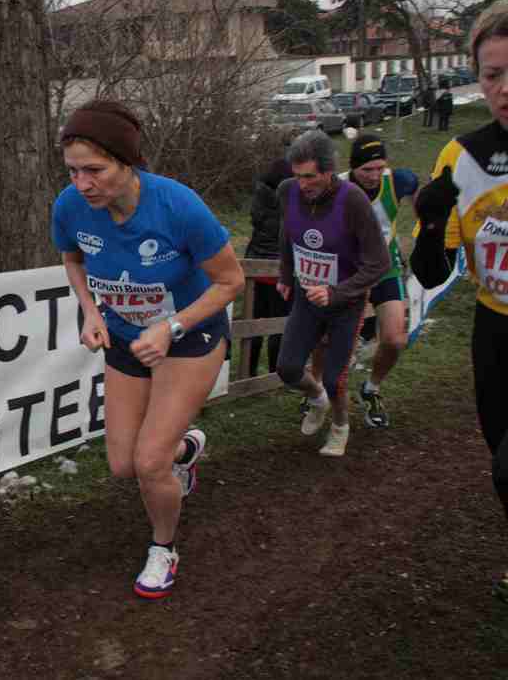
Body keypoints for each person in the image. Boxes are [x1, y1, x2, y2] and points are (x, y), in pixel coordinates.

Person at [51, 100, 245, 599]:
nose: (82, 184)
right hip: (125, 335)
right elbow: (72, 258)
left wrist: (171, 326)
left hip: (190, 336)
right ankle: (187, 447)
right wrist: (91, 312)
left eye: (94, 170)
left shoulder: (178, 206)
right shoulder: (70, 206)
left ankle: (164, 547)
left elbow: (231, 282)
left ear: (128, 162)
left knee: (150, 463)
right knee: (123, 463)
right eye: (73, 171)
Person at [410, 0, 508, 603]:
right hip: (493, 330)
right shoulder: (462, 157)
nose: (505, 88)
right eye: (493, 74)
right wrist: (430, 221)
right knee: (500, 461)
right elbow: (432, 271)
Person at [275, 130, 389, 458]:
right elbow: (288, 232)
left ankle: (340, 426)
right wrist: (286, 272)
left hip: (345, 303)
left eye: (310, 176)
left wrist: (337, 292)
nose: (302, 184)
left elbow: (378, 263)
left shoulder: (353, 200)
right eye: (298, 176)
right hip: (306, 296)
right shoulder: (287, 191)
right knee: (288, 368)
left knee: (334, 378)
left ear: (329, 171)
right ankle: (317, 400)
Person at [326, 135, 419, 428]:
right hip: (348, 270)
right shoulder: (336, 186)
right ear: (353, 167)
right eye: (367, 169)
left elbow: (418, 191)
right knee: (328, 338)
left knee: (395, 339)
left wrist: (426, 224)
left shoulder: (398, 181)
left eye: (380, 167)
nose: (374, 175)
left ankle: (371, 388)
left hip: (385, 267)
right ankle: (316, 391)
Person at [244, 134, 295, 376]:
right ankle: (276, 373)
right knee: (279, 325)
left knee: (253, 324)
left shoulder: (259, 197)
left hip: (255, 268)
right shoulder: (289, 205)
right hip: (279, 272)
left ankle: (249, 371)